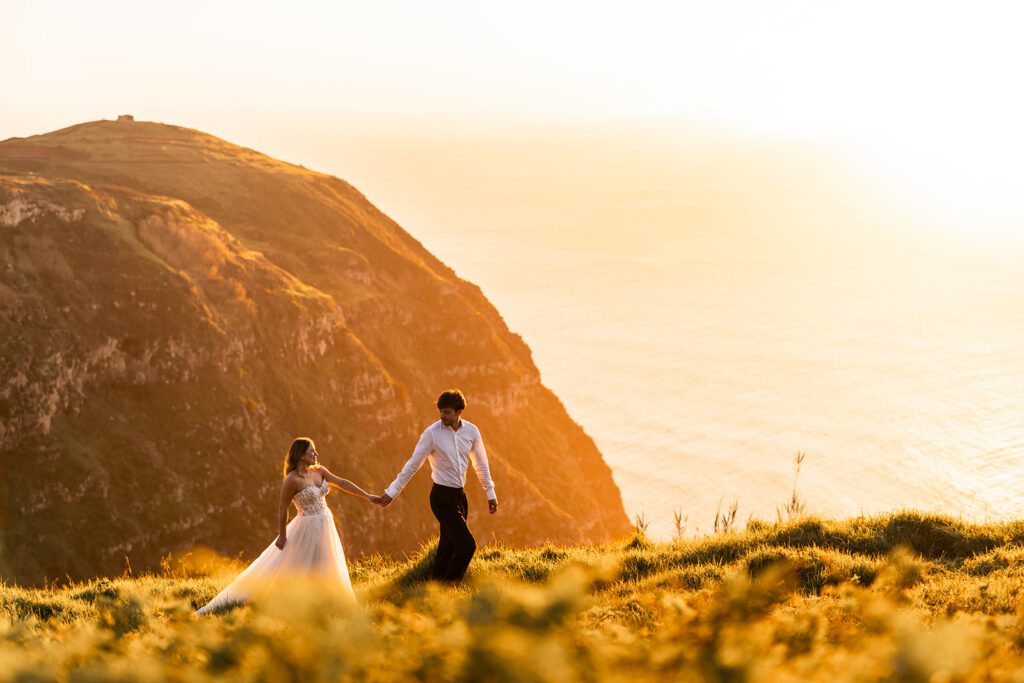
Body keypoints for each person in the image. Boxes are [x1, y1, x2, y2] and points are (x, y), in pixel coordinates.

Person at [194, 437, 378, 615]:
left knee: (326, 562)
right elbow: (283, 508)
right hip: (306, 526)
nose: (316, 453)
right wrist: (282, 535)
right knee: (298, 565)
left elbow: (342, 483)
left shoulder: (319, 471)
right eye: (311, 450)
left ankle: (328, 603)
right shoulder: (292, 480)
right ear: (300, 455)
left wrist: (368, 496)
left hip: (325, 522)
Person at [376, 389, 498, 582]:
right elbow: (413, 465)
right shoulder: (431, 434)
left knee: (448, 544)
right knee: (467, 545)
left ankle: (436, 587)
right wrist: (392, 492)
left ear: (459, 412)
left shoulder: (471, 431)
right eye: (440, 411)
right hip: (441, 497)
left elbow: (480, 463)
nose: (442, 416)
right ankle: (451, 587)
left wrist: (490, 492)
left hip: (460, 496)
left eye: (447, 412)